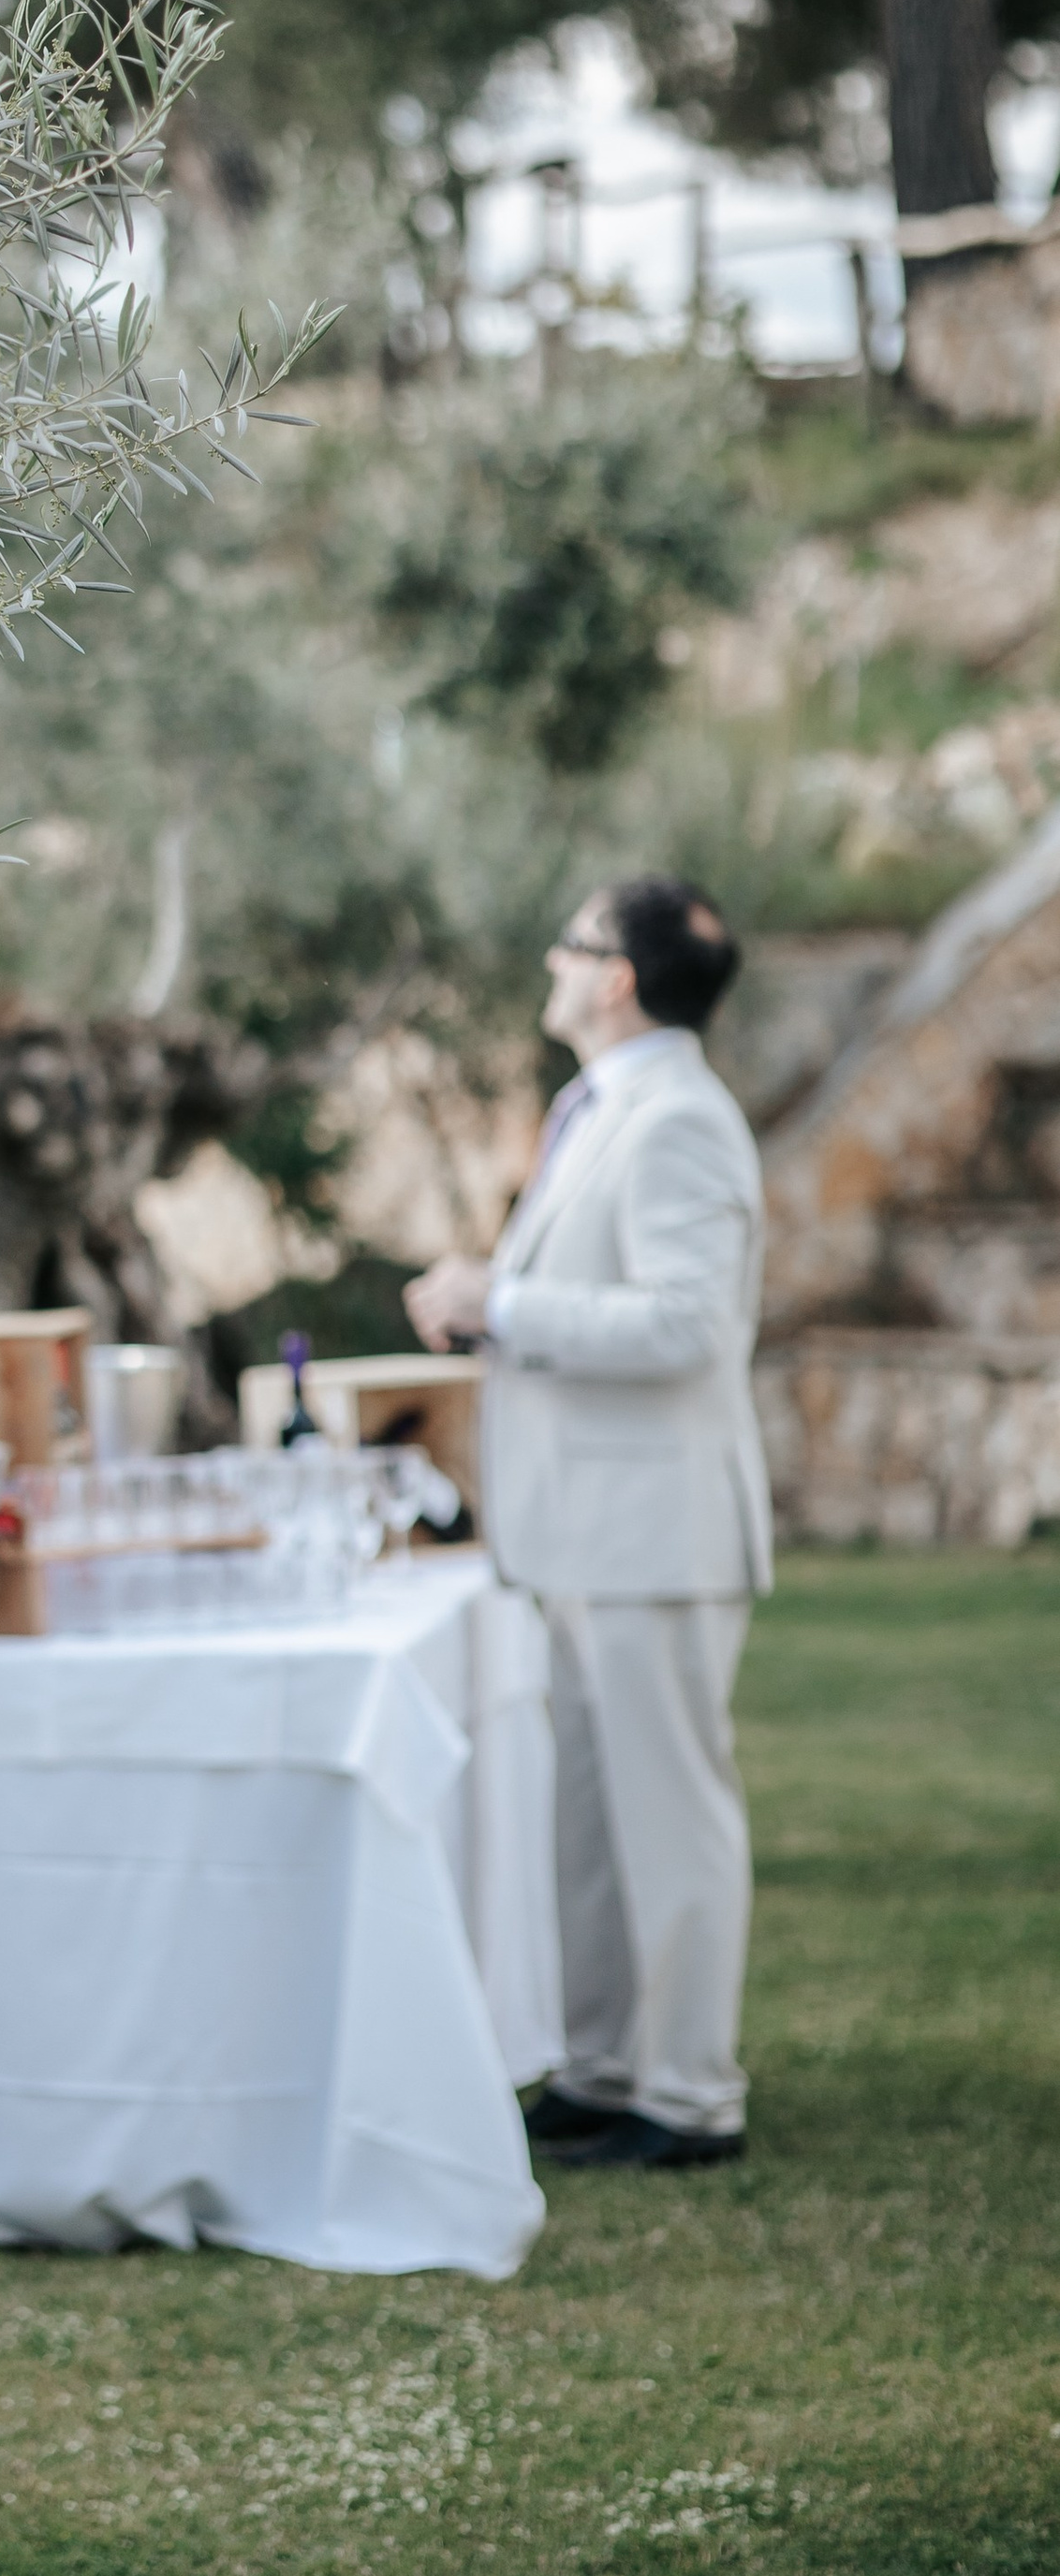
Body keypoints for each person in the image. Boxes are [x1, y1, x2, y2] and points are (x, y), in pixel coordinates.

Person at [404, 877, 770, 2173]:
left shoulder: (678, 1123)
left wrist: (496, 1300)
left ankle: (689, 2092)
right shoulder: (611, 1109)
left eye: (571, 943)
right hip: (589, 1533)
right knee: (595, 1825)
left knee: (671, 1816)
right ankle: (607, 2067)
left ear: (615, 977)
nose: (550, 961)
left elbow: (685, 1327)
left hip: (657, 1532)